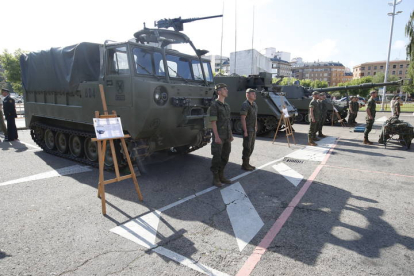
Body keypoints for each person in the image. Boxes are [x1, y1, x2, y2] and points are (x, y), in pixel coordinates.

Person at [209, 83, 234, 187]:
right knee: (217, 157)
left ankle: (221, 175)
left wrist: (231, 134)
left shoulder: (226, 106)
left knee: (225, 156)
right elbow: (213, 122)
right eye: (224, 89)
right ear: (219, 92)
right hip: (219, 136)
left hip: (227, 136)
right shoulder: (214, 105)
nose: (227, 90)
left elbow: (228, 121)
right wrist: (217, 137)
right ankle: (215, 178)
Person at [240, 88, 258, 171]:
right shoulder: (245, 105)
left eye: (255, 94)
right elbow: (243, 118)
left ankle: (247, 163)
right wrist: (245, 131)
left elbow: (255, 117)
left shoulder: (254, 104)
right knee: (247, 147)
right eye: (252, 94)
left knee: (251, 147)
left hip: (253, 129)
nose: (254, 95)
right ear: (247, 95)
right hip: (248, 129)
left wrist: (256, 126)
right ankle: (245, 164)